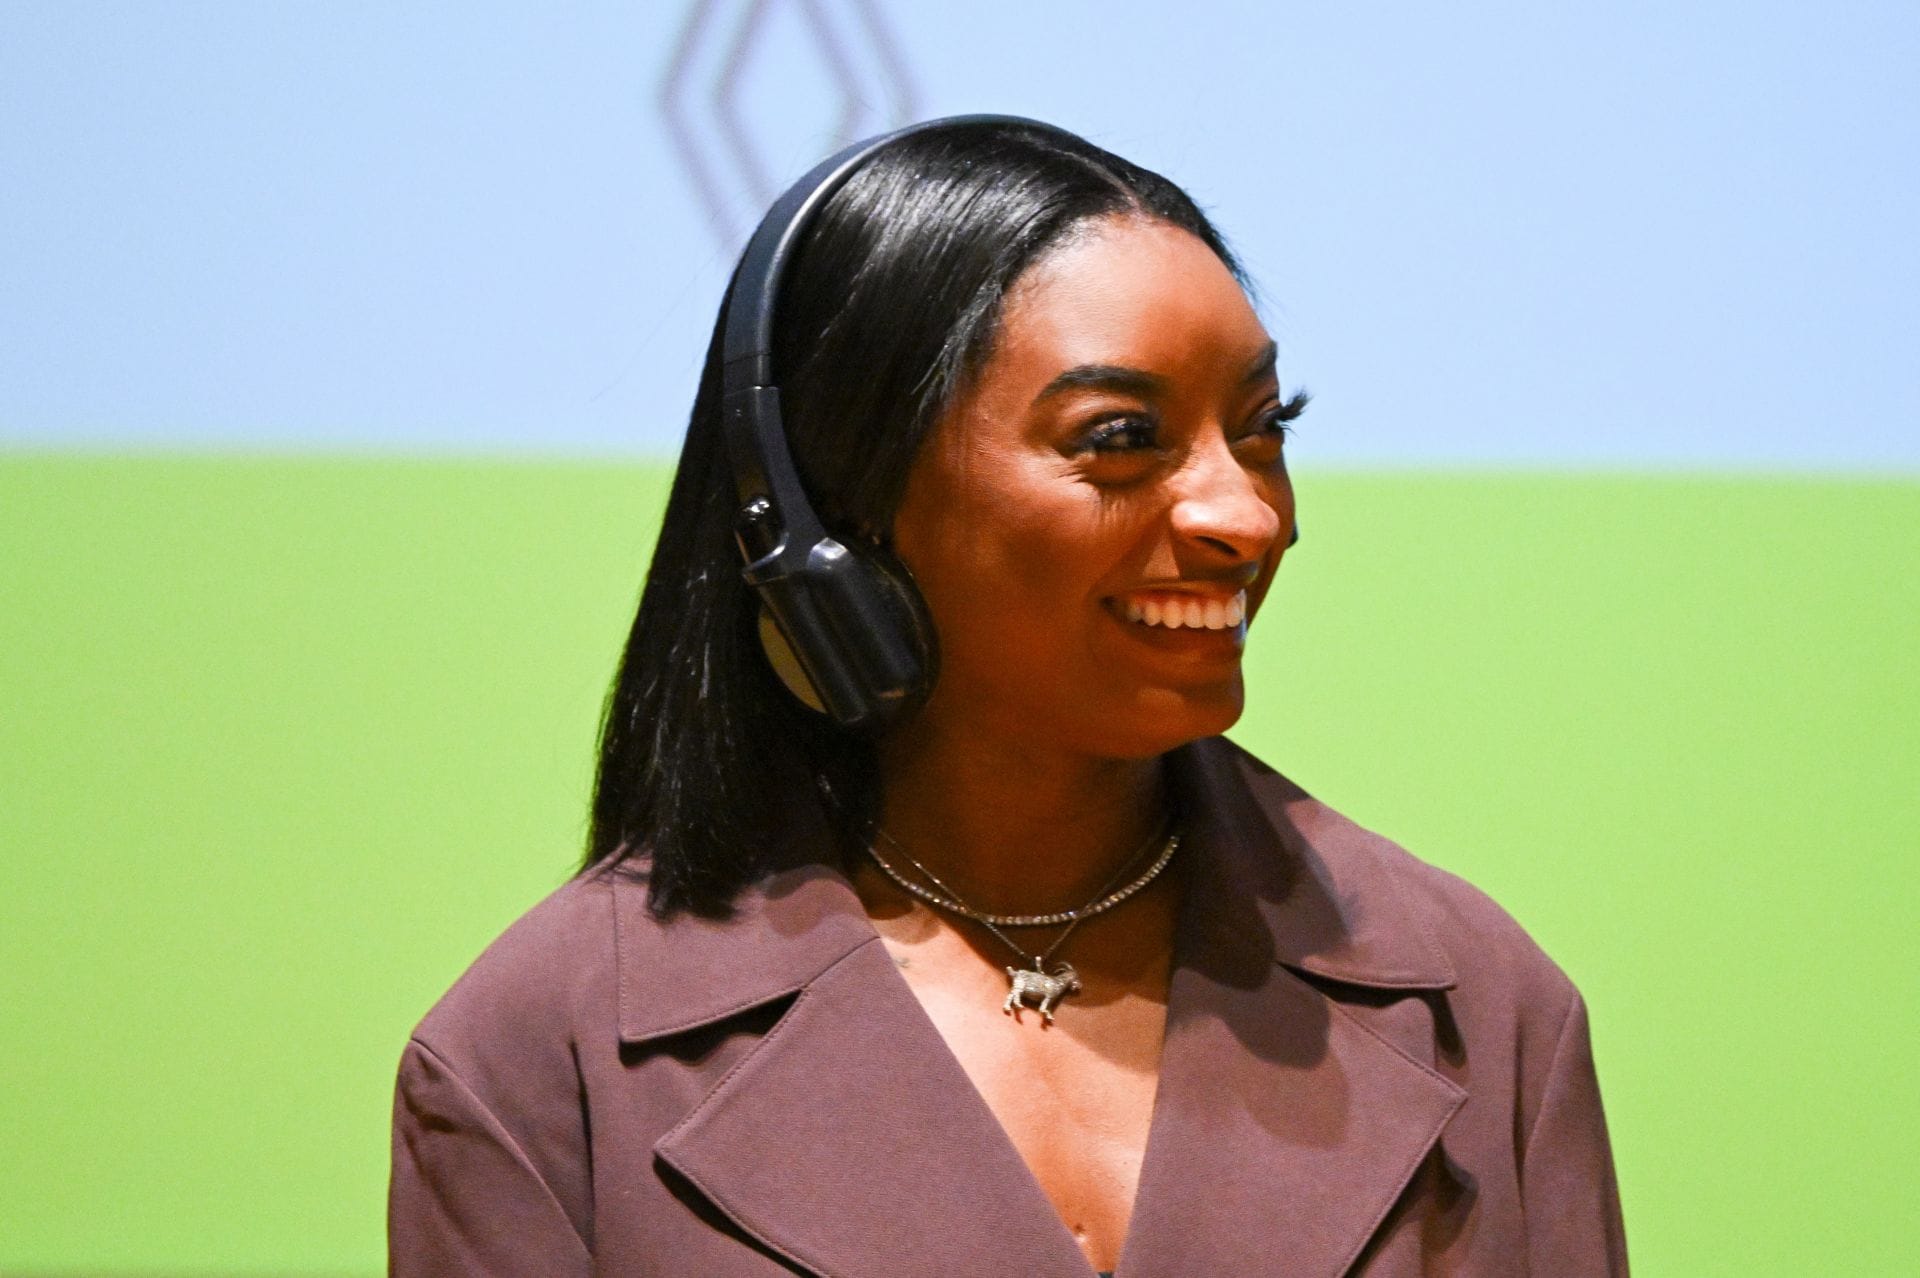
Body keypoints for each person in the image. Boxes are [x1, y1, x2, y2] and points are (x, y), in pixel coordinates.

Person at [389, 116, 1627, 1276]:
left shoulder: (1483, 1003)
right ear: (840, 509)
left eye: (1263, 427)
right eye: (1119, 437)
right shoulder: (539, 1055)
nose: (1247, 516)